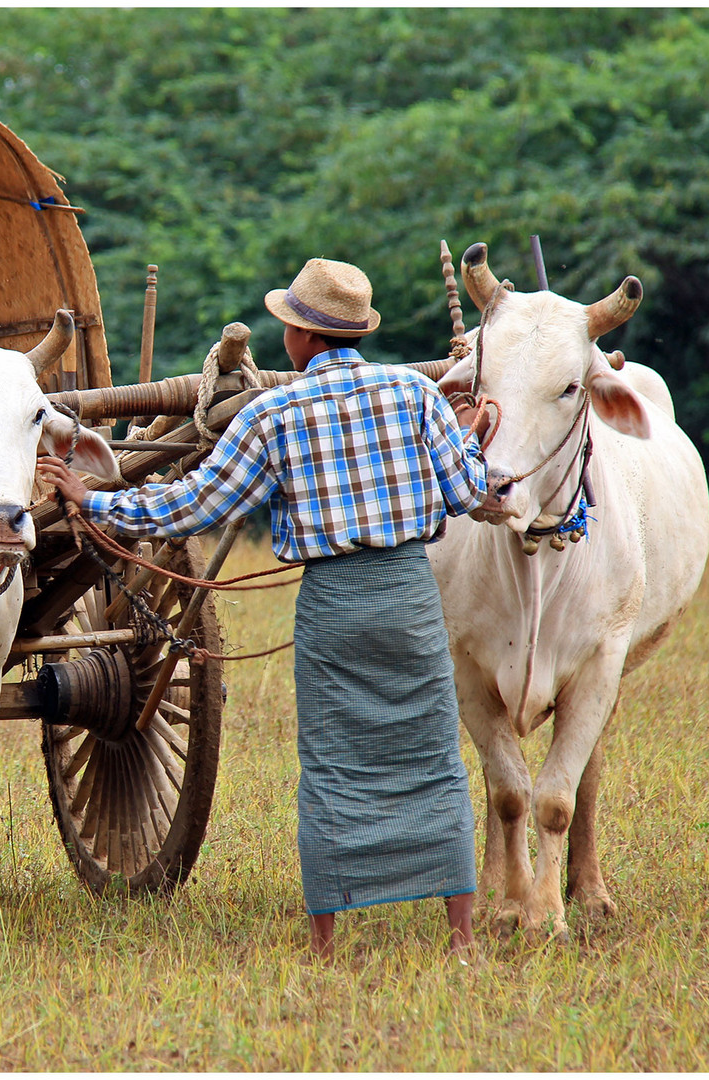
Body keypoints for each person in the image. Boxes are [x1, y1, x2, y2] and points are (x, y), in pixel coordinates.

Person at [38, 258, 489, 961]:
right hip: (408, 601)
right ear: (356, 332)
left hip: (334, 607)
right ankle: (459, 937)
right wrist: (472, 434)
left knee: (334, 766)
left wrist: (92, 497)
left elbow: (193, 505)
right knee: (432, 757)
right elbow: (467, 492)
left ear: (300, 337)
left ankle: (325, 941)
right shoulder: (415, 393)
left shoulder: (272, 412)